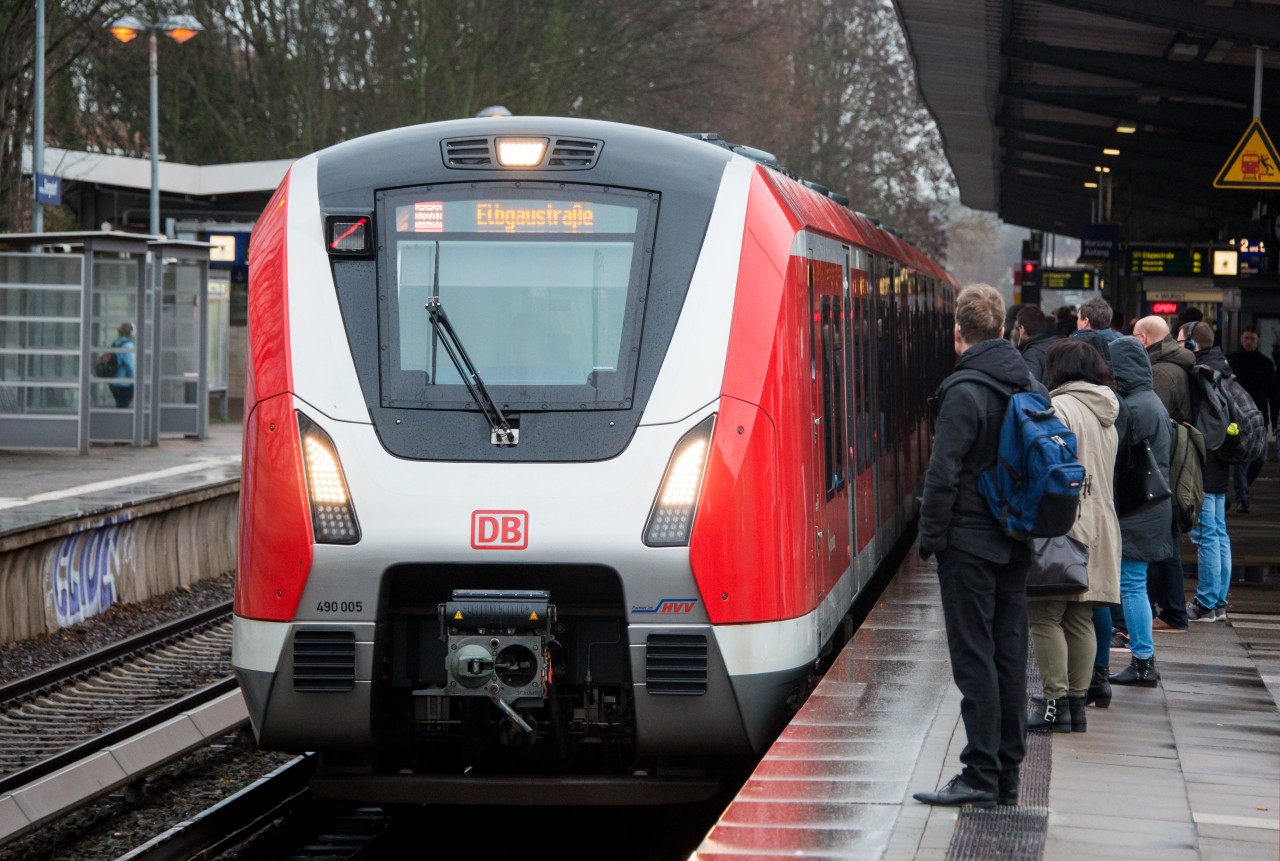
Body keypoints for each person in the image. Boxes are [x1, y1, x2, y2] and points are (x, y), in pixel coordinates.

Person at [913, 284, 1041, 809]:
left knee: (974, 658)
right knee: (1009, 655)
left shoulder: (963, 390)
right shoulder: (1027, 381)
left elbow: (942, 474)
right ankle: (1007, 773)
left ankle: (979, 774)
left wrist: (930, 538)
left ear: (959, 333)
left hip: (970, 543)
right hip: (1016, 539)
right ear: (1005, 329)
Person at [1027, 339, 1121, 733]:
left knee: (1045, 615)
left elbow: (1048, 468)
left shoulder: (1060, 408)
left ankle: (1054, 704)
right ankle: (1077, 706)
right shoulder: (1107, 412)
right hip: (1102, 524)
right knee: (1081, 617)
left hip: (1067, 524)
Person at [1108, 336, 1174, 687]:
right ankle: (1143, 659)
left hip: (1138, 507)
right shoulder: (1152, 401)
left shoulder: (1133, 407)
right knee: (1136, 583)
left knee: (1131, 584)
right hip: (1151, 506)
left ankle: (1143, 662)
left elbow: (1118, 458)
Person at [1133, 315, 1194, 633]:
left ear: (1143, 340)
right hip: (1176, 463)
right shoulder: (1177, 363)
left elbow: (1155, 426)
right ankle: (1169, 610)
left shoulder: (1161, 373)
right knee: (1166, 539)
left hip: (1164, 466)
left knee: (1165, 542)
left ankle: (1171, 612)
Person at [1179, 322, 1233, 622]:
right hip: (1221, 458)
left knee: (1206, 534)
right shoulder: (1222, 369)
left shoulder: (1199, 374)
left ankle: (1206, 602)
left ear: (1190, 345)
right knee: (1219, 532)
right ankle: (1220, 601)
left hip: (1206, 460)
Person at [1227, 325, 1278, 513]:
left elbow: (1273, 394)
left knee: (1260, 458)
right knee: (1241, 460)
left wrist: (1273, 419)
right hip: (1238, 417)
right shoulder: (1232, 361)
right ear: (1242, 339)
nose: (1249, 342)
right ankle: (1243, 498)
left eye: (1253, 339)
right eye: (1246, 338)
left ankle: (1243, 488)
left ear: (1257, 340)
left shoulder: (1265, 364)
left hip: (1260, 419)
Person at [1015, 305, 1057, 382]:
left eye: (1018, 328)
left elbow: (1030, 384)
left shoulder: (1031, 354)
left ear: (1023, 329)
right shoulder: (1057, 345)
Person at [109, 322, 135, 409]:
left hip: (113, 383)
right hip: (124, 384)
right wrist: (134, 381)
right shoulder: (128, 345)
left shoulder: (116, 343)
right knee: (124, 409)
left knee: (119, 407)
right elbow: (130, 366)